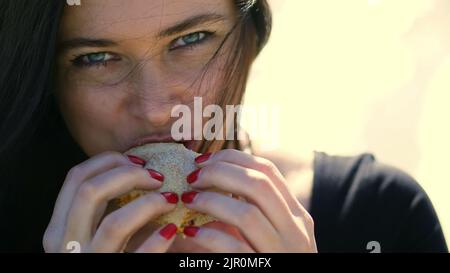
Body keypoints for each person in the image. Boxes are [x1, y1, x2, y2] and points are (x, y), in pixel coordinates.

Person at [0, 0, 447, 253]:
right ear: (47, 78)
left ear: (250, 37)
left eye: (191, 40)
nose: (158, 110)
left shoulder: (378, 216)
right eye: (94, 58)